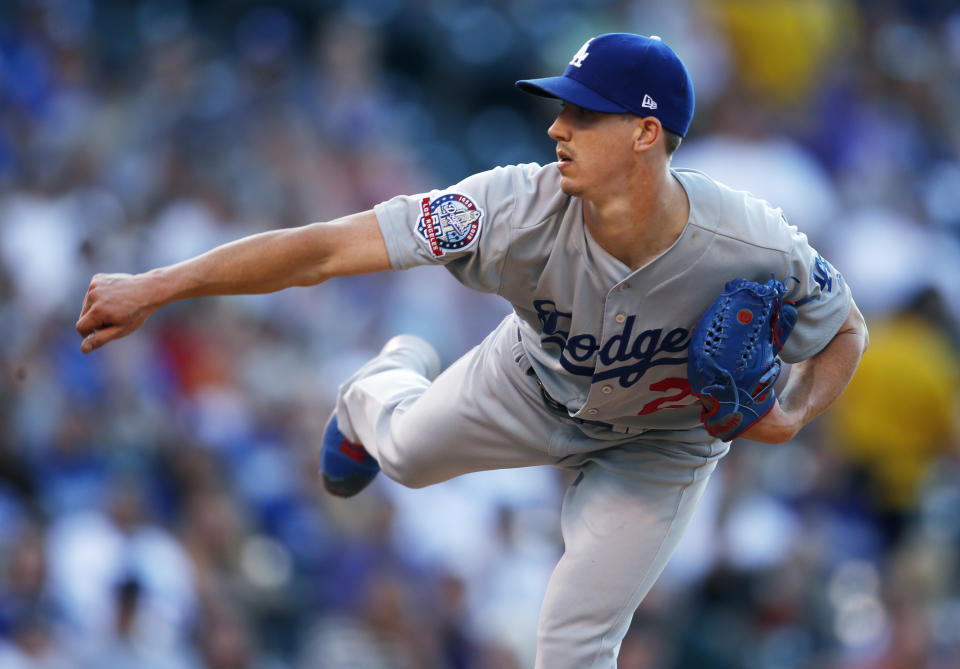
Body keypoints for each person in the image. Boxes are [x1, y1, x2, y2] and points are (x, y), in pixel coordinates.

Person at [76, 33, 868, 668]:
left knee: (573, 640)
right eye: (561, 110)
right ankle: (378, 382)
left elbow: (845, 329)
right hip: (527, 382)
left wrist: (793, 409)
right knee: (408, 454)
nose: (557, 127)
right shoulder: (506, 206)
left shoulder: (751, 242)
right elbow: (324, 249)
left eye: (583, 115)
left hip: (659, 446)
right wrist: (156, 286)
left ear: (644, 133)